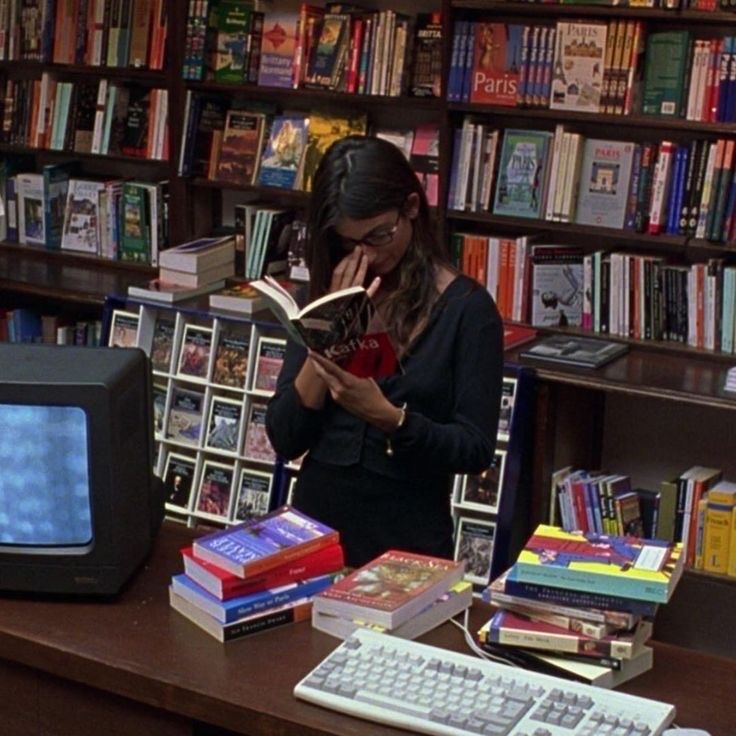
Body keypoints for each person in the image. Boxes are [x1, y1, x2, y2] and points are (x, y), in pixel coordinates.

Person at [265, 135, 503, 568]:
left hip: (409, 538)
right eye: (349, 243)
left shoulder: (468, 309)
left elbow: (475, 449)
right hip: (317, 529)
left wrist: (391, 419)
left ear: (411, 207)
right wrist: (329, 330)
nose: (368, 255)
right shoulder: (323, 293)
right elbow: (285, 438)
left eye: (379, 235)